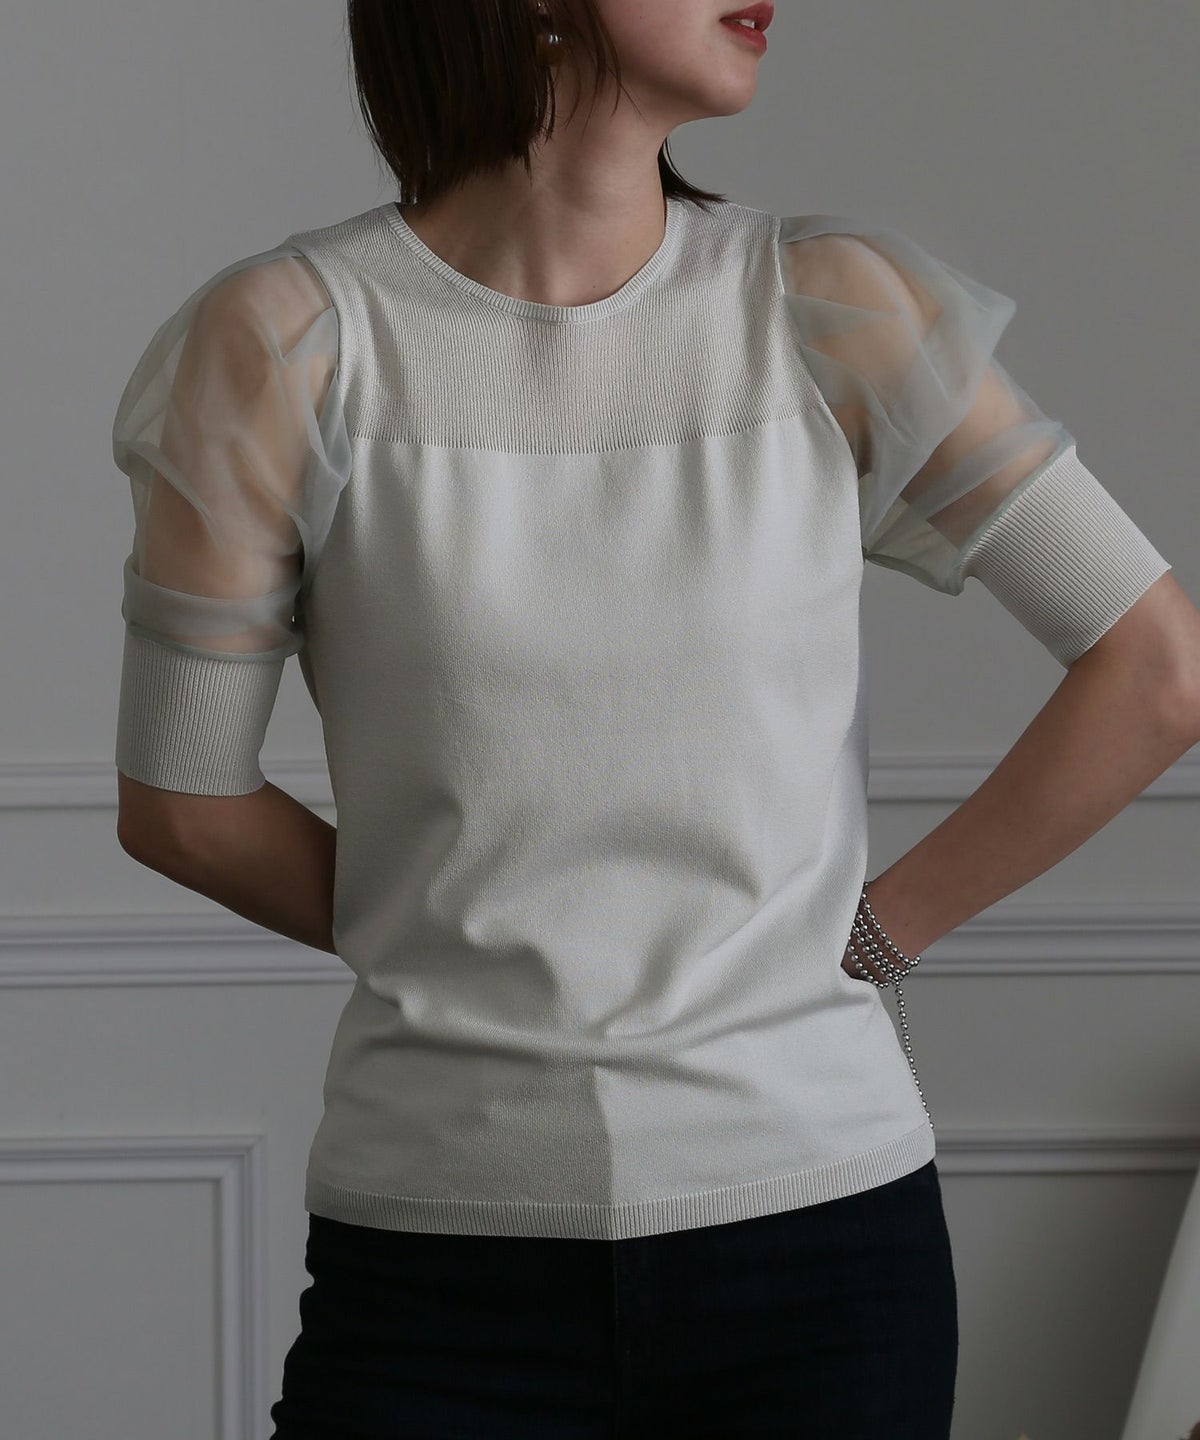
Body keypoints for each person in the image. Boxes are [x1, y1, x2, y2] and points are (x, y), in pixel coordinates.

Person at [111, 1, 1200, 1435]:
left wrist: (883, 931)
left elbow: (1155, 667)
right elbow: (182, 800)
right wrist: (464, 935)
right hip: (438, 1267)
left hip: (821, 1248)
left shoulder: (836, 310)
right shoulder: (288, 344)